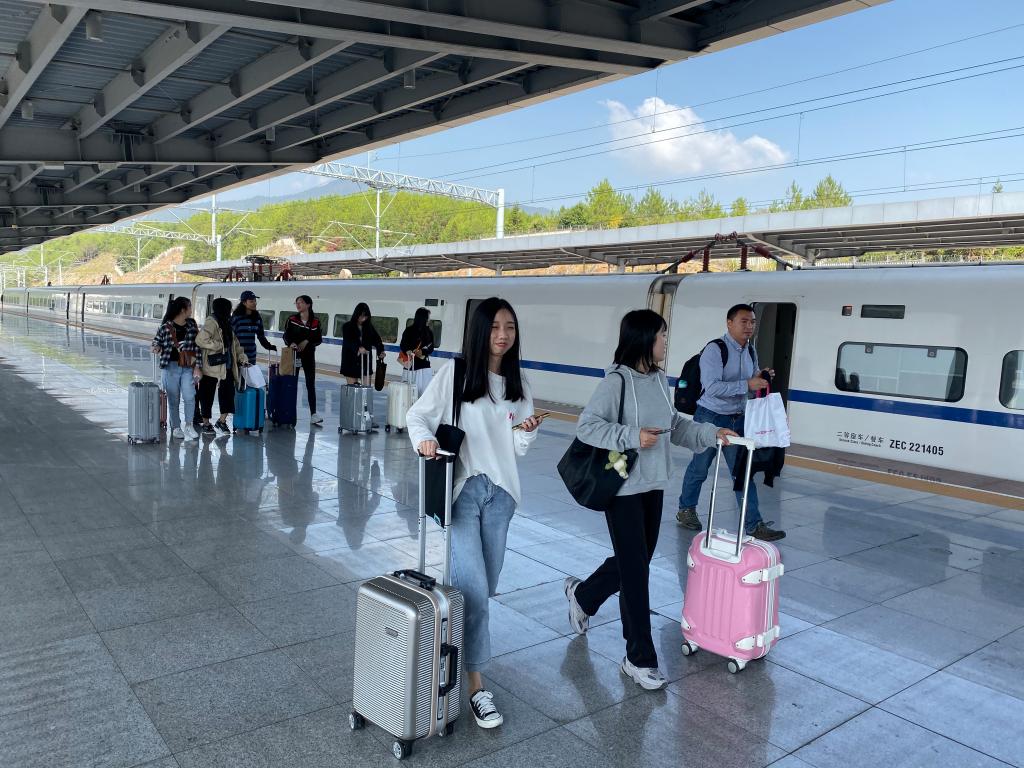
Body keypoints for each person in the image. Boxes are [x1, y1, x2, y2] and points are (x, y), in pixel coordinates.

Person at [563, 309, 733, 691]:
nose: (665, 342)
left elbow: (676, 426)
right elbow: (587, 426)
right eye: (661, 335)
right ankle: (638, 658)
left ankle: (584, 596)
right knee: (636, 574)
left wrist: (711, 434)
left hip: (653, 486)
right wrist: (632, 436)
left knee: (635, 562)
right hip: (623, 489)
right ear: (643, 339)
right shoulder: (616, 382)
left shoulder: (658, 380)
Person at [406, 297, 541, 730]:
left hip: (502, 498)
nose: (503, 335)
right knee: (475, 592)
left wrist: (526, 432)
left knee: (485, 589)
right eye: (496, 327)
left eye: (510, 327)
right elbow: (417, 416)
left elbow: (517, 447)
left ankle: (447, 654)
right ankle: (476, 688)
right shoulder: (456, 373)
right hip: (465, 490)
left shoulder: (519, 383)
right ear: (481, 330)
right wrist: (424, 441)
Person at [676, 303, 786, 542]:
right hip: (710, 416)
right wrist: (747, 384)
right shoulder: (715, 350)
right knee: (700, 468)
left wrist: (760, 378)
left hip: (738, 419)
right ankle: (686, 509)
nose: (749, 326)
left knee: (743, 473)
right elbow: (712, 387)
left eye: (753, 322)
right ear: (729, 323)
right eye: (744, 321)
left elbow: (751, 383)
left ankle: (754, 524)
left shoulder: (751, 351)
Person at [195, 297, 247, 435]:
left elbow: (235, 344)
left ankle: (221, 421)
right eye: (229, 308)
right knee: (207, 394)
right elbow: (200, 340)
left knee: (228, 394)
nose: (231, 311)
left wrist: (242, 357)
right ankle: (206, 423)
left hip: (227, 365)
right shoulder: (211, 322)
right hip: (211, 366)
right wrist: (218, 346)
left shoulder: (227, 323)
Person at [151, 296, 200, 441]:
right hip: (170, 367)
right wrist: (156, 347)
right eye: (189, 307)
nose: (191, 310)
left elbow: (197, 347)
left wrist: (198, 367)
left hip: (187, 367)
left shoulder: (192, 326)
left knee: (190, 396)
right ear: (183, 310)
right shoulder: (165, 327)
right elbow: (156, 341)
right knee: (174, 399)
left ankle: (189, 425)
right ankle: (176, 427)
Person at [282, 294, 324, 425]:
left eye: (300, 302)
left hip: (309, 356)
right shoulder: (292, 319)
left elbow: (318, 339)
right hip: (294, 355)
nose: (298, 304)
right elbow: (286, 335)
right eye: (296, 302)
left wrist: (307, 341)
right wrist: (291, 343)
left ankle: (313, 414)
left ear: (308, 304)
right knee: (291, 383)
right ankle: (289, 413)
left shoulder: (316, 321)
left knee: (310, 384)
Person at [340, 302, 384, 385]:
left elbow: (377, 340)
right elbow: (349, 341)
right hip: (351, 362)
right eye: (361, 316)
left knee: (366, 389)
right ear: (356, 314)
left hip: (366, 362)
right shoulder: (347, 326)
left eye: (365, 316)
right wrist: (358, 348)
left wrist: (380, 351)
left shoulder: (369, 327)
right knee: (352, 389)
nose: (363, 319)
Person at [231, 290, 277, 365]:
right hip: (238, 356)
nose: (255, 303)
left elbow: (261, 335)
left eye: (255, 301)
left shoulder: (257, 317)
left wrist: (268, 346)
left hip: (251, 356)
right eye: (251, 301)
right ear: (244, 303)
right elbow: (231, 335)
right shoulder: (236, 317)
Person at [400, 307, 436, 396]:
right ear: (423, 318)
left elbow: (431, 347)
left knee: (423, 394)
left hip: (423, 367)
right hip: (410, 366)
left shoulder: (429, 332)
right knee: (408, 394)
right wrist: (407, 350)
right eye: (428, 317)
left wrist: (422, 352)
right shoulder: (409, 331)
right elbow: (403, 344)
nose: (429, 320)